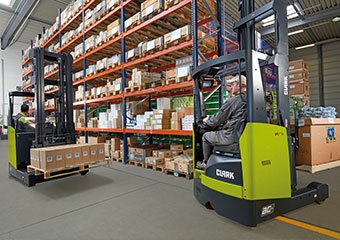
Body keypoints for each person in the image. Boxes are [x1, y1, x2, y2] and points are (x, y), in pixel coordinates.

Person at [197, 75, 247, 169]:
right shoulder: (249, 99)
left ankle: (206, 163)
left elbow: (216, 120)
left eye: (232, 84)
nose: (231, 87)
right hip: (241, 134)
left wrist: (206, 121)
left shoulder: (234, 100)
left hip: (231, 136)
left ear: (239, 85)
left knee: (206, 136)